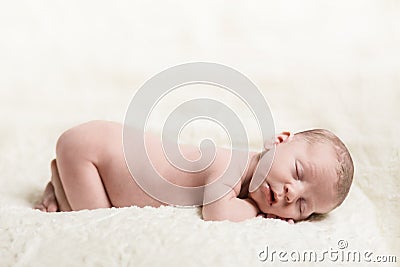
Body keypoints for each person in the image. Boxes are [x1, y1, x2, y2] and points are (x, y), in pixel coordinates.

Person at [35, 120, 354, 223]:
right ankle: (62, 177)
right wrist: (256, 208)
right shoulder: (228, 164)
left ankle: (58, 177)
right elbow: (216, 214)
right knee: (95, 219)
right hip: (91, 151)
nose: (291, 193)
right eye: (298, 173)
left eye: (302, 205)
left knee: (87, 209)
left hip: (95, 162)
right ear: (279, 141)